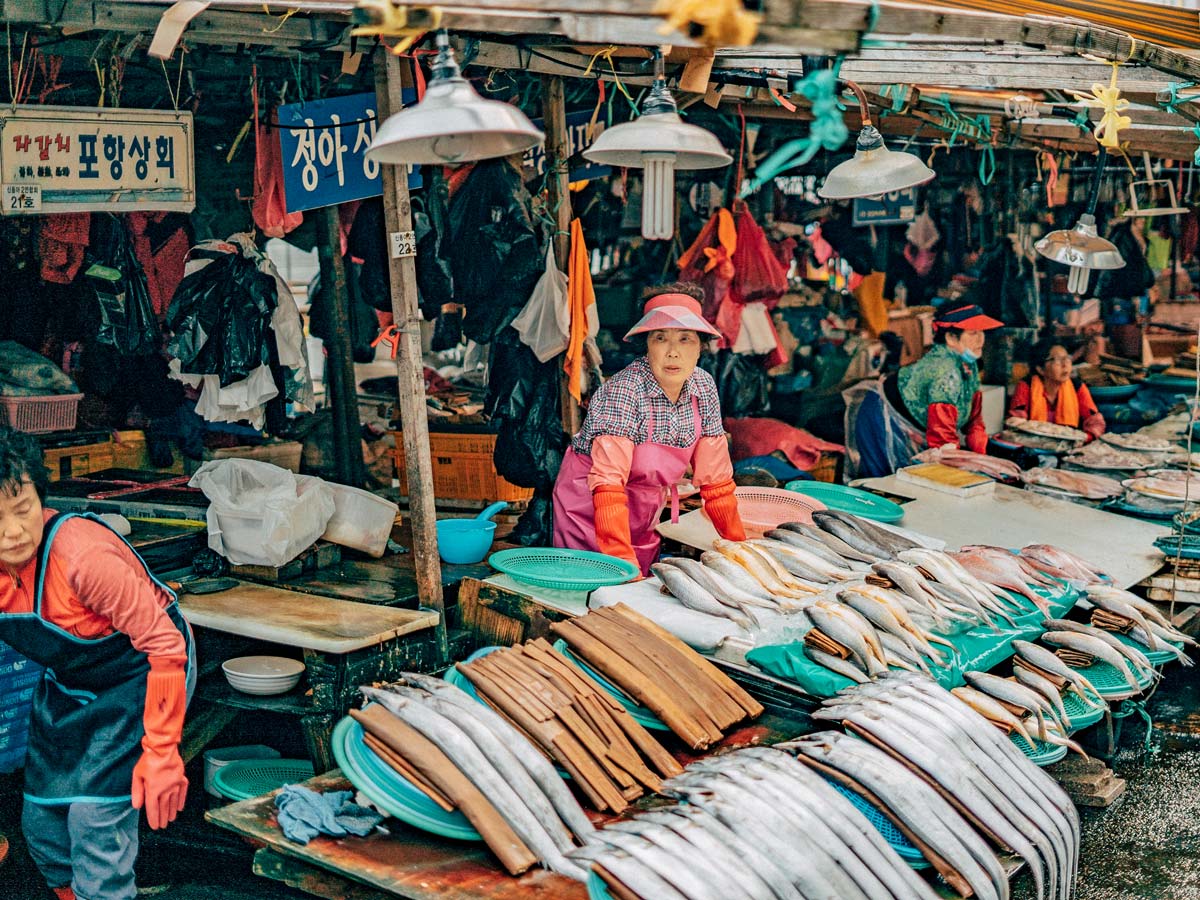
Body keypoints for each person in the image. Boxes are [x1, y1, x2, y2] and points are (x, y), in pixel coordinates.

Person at [0, 427, 194, 900]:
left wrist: (162, 752)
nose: (11, 531)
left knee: (94, 819)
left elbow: (165, 647)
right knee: (42, 824)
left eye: (22, 508)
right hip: (71, 684)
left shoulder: (82, 557)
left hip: (144, 675)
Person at [553, 285, 746, 575]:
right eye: (660, 339)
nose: (673, 352)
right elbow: (608, 485)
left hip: (644, 506)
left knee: (643, 584)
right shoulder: (624, 390)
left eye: (685, 340)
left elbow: (716, 484)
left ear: (700, 348)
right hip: (591, 506)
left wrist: (740, 550)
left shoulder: (704, 387)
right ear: (647, 345)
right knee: (596, 585)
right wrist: (621, 563)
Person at [844, 302, 1004, 477]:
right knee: (885, 483)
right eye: (973, 333)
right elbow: (942, 441)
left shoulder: (969, 364)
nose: (981, 339)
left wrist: (983, 461)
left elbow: (974, 421)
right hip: (880, 417)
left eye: (982, 332)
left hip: (913, 423)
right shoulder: (944, 371)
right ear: (951, 337)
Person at [1009, 338, 1105, 441]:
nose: (1065, 365)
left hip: (1068, 444)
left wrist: (1086, 437)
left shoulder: (1077, 387)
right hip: (1033, 443)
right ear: (1040, 369)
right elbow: (1016, 422)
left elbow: (1095, 422)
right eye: (1057, 360)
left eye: (1067, 358)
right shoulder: (1026, 386)